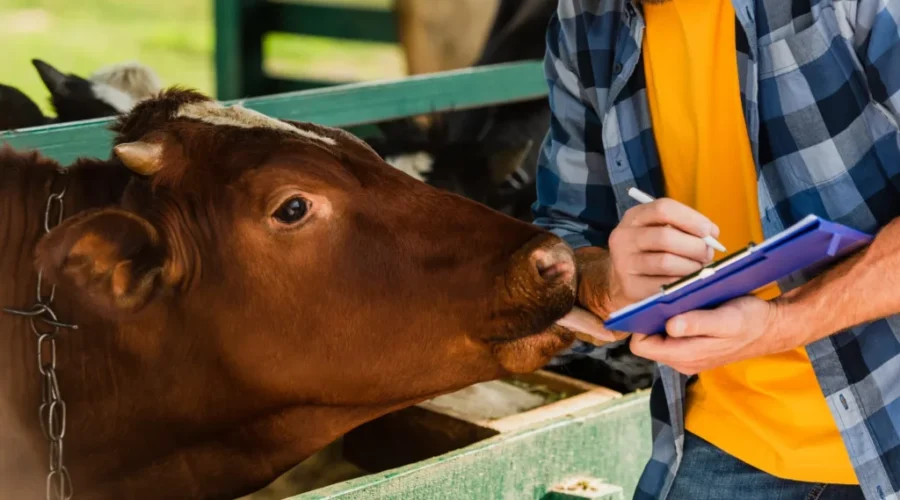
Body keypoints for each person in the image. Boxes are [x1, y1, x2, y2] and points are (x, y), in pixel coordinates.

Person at [533, 1, 900, 499]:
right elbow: (568, 232)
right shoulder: (584, 19)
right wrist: (612, 280)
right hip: (722, 436)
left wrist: (780, 324)